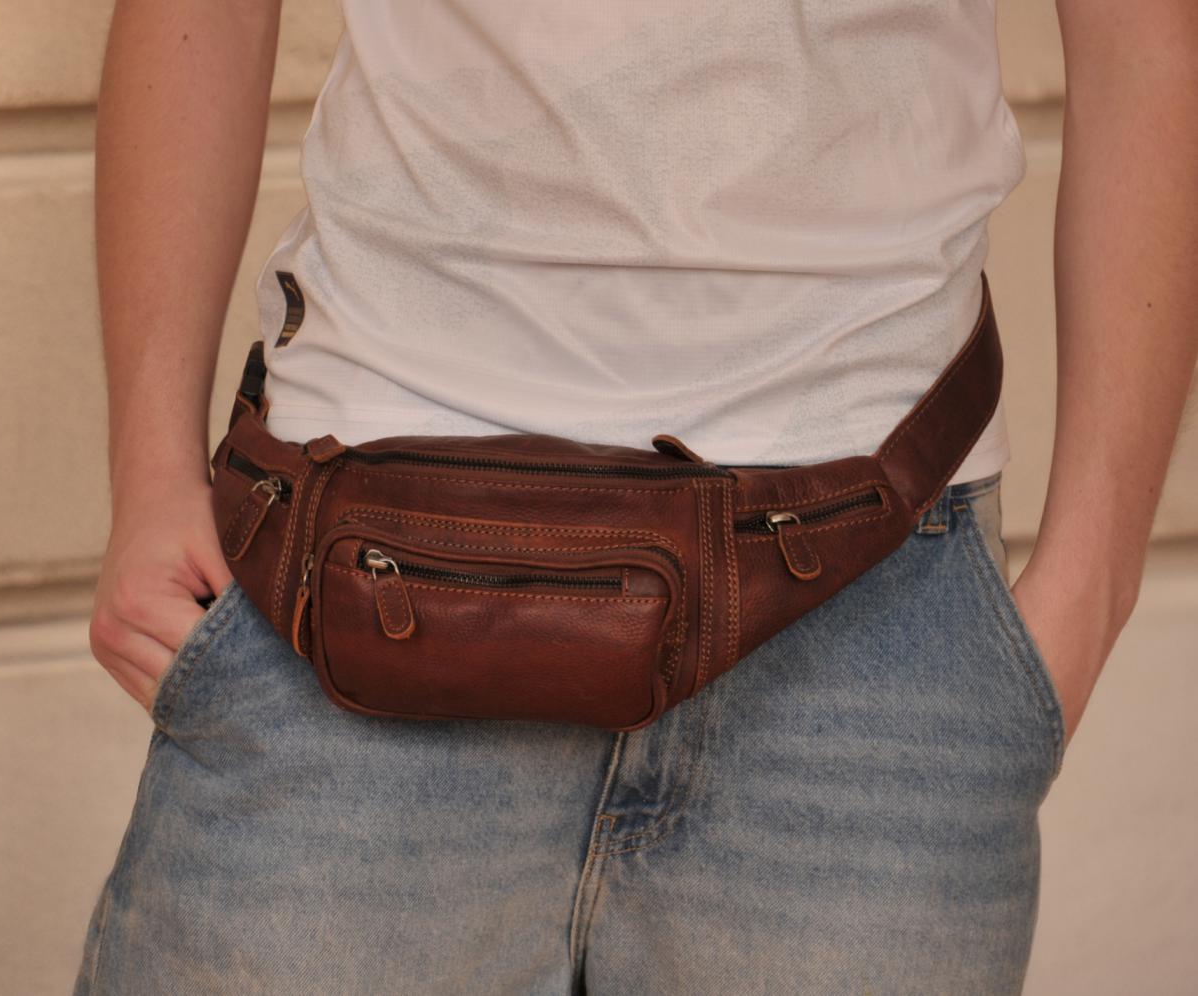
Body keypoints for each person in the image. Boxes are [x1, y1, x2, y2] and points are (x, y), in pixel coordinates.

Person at [75, 1, 1197, 992]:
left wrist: (1085, 594)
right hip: (350, 566)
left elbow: (1145, 37)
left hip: (877, 584)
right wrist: (150, 477)